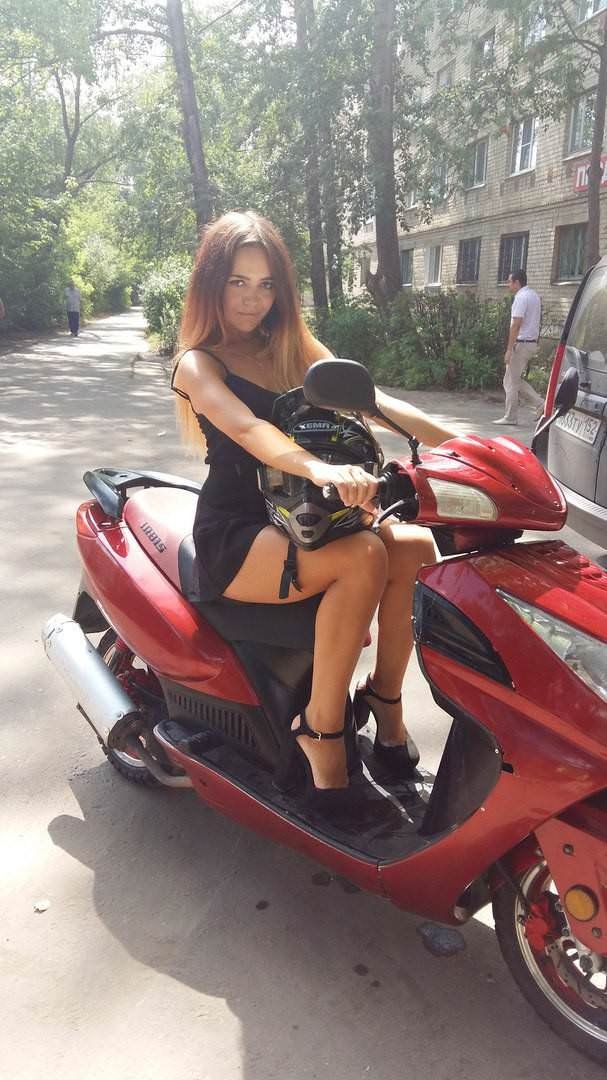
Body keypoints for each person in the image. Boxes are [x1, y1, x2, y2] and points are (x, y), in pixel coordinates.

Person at [171, 211, 455, 813]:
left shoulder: (294, 349)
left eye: (266, 284)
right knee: (364, 554)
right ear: (211, 284)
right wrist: (318, 468)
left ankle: (384, 697)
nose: (252, 299)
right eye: (237, 282)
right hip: (240, 531)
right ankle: (320, 730)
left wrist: (469, 449)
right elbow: (248, 429)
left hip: (306, 515)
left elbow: (378, 404)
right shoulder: (199, 363)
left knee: (414, 545)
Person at [494, 268, 544, 425]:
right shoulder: (534, 295)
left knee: (510, 381)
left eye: (510, 282)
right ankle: (540, 404)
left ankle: (511, 417)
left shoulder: (521, 297)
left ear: (517, 282)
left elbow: (516, 324)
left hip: (521, 344)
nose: (508, 285)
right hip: (530, 343)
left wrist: (509, 349)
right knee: (512, 379)